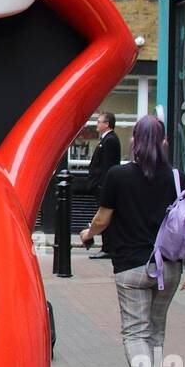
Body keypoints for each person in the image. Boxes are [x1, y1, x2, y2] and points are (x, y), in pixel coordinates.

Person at [79, 115, 185, 367]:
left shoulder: (118, 176)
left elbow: (104, 219)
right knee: (155, 334)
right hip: (169, 268)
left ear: (134, 141)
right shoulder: (177, 177)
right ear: (163, 142)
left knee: (135, 333)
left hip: (131, 267)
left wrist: (87, 233)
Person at [84, 111, 121, 260]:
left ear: (107, 124)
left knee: (105, 217)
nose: (97, 124)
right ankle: (106, 246)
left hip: (104, 186)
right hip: (100, 185)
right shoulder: (105, 140)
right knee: (103, 216)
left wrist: (103, 185)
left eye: (99, 122)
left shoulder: (110, 140)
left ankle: (107, 248)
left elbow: (108, 166)